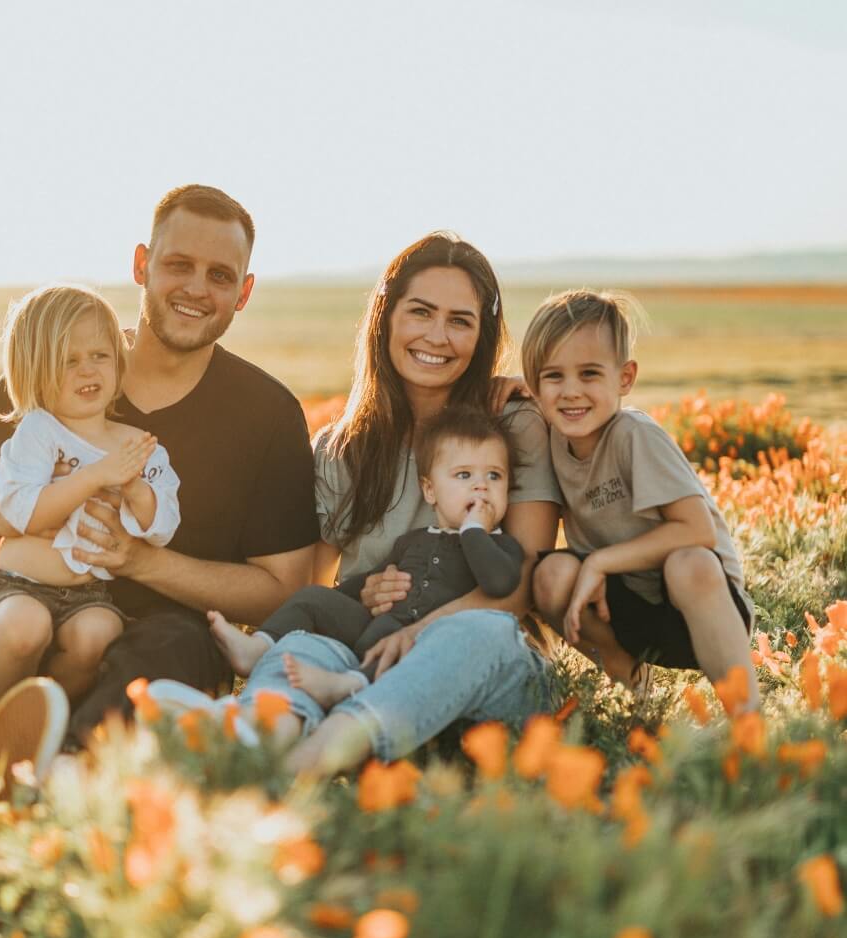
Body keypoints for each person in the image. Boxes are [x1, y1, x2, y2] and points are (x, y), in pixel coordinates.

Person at [0, 185, 319, 768]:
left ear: (243, 293)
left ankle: (62, 765)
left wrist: (142, 562)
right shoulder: (54, 368)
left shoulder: (265, 413)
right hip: (17, 637)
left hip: (146, 652)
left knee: (176, 642)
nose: (197, 288)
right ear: (142, 265)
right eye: (179, 265)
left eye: (220, 275)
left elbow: (285, 589)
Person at [151, 232, 563, 774]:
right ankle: (256, 735)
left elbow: (521, 590)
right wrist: (361, 594)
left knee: (473, 632)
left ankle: (310, 761)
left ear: (481, 335)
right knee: (306, 644)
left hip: (488, 668)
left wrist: (419, 630)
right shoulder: (342, 448)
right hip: (367, 658)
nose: (437, 336)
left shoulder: (511, 426)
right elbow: (308, 587)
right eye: (420, 312)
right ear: (386, 317)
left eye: (460, 321)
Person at [520, 289, 760, 712]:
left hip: (701, 609)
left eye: (590, 374)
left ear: (625, 378)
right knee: (550, 574)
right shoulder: (552, 436)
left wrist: (600, 561)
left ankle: (746, 719)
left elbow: (697, 530)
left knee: (690, 562)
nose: (571, 391)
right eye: (554, 376)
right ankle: (633, 685)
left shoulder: (635, 436)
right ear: (536, 385)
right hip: (627, 611)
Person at [208, 406, 524, 709]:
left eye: (495, 476)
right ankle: (259, 647)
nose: (481, 486)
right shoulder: (413, 540)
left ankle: (349, 684)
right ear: (430, 490)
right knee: (313, 598)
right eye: (464, 475)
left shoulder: (502, 548)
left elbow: (499, 582)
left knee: (397, 646)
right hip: (374, 626)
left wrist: (473, 531)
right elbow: (367, 581)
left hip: (425, 643)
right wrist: (351, 595)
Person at [0, 284, 180, 705]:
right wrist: (97, 475)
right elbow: (24, 514)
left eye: (99, 356)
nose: (88, 370)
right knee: (25, 629)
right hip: (18, 585)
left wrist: (134, 489)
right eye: (68, 361)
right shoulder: (37, 432)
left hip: (88, 594)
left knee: (98, 635)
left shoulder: (138, 444)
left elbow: (162, 527)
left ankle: (44, 719)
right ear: (34, 371)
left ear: (119, 363)